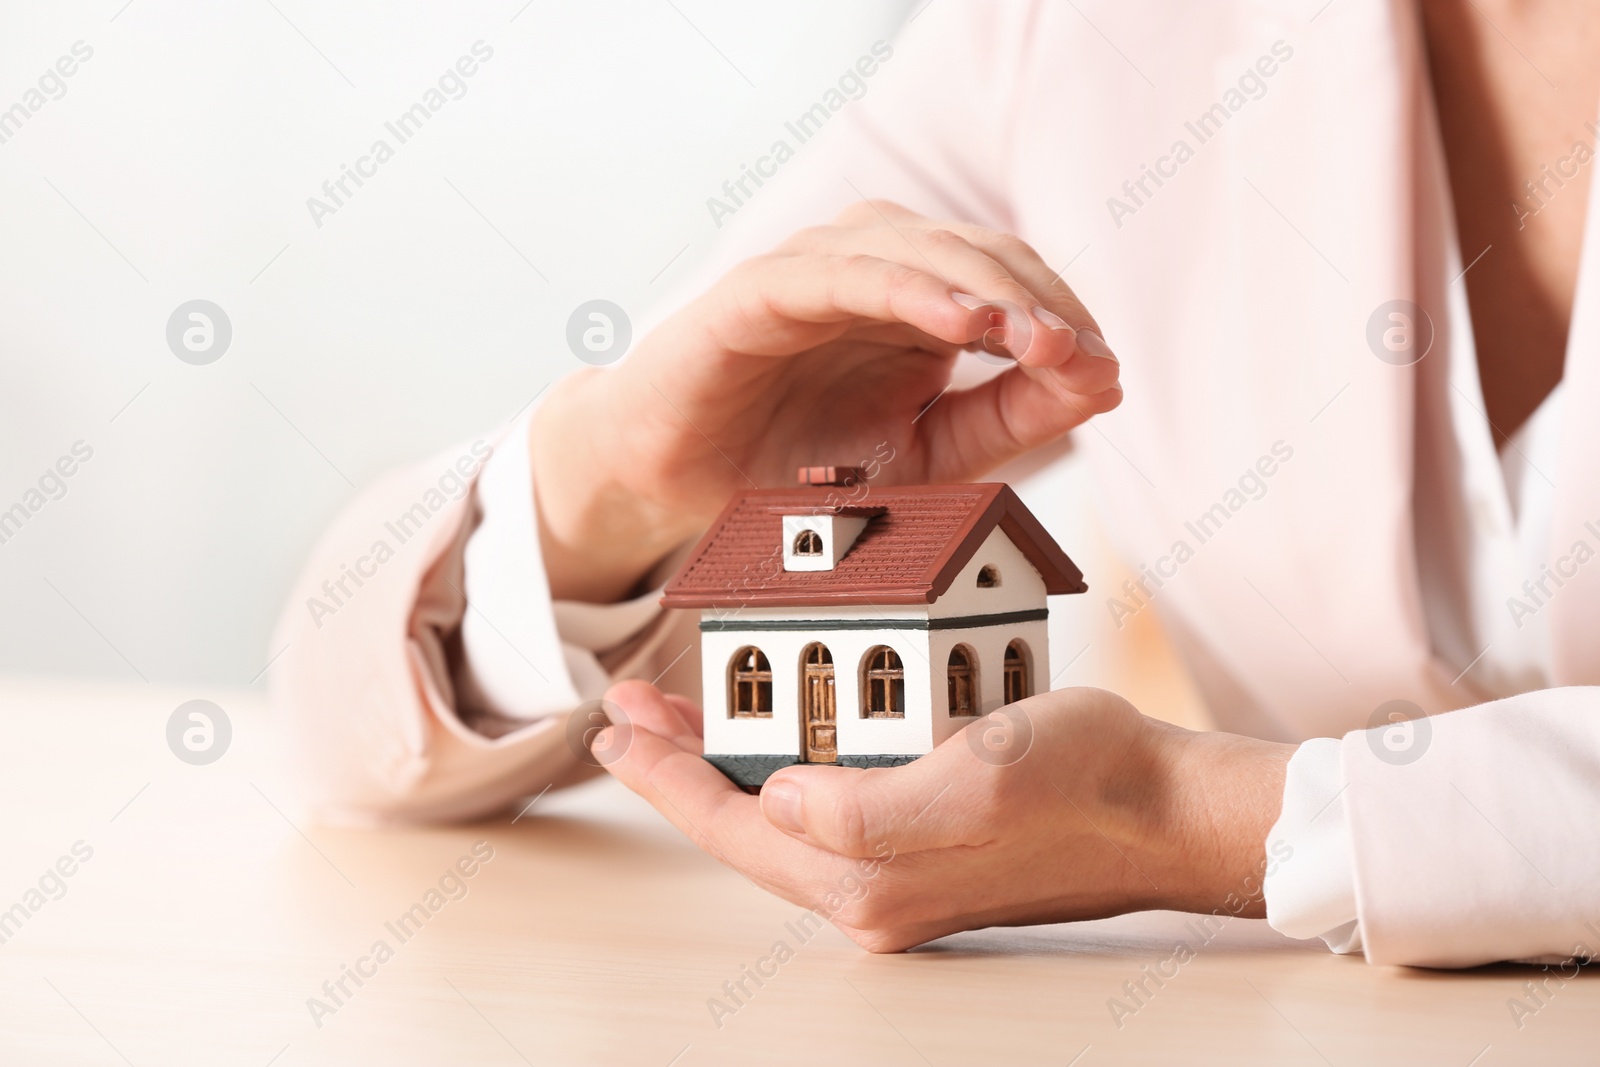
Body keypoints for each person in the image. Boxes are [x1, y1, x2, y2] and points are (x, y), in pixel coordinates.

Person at [272, 1, 1600, 968]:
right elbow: (349, 702)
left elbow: (1228, 821)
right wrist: (615, 481)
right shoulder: (1082, 36)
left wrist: (1195, 822)